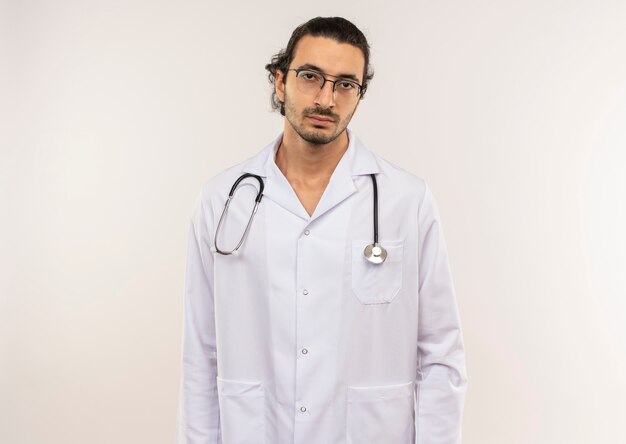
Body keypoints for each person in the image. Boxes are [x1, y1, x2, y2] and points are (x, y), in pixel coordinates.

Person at [176, 16, 467, 444]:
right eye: (310, 77)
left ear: (359, 96)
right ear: (280, 82)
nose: (327, 99)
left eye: (346, 84)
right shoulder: (222, 201)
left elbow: (441, 354)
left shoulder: (406, 200)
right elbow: (201, 353)